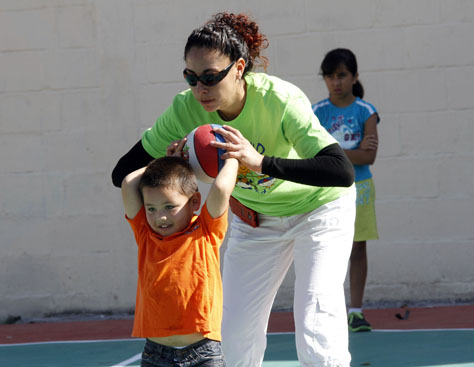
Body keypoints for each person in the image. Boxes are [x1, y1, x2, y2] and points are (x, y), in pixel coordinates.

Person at [113, 12, 356, 367]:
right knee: (234, 337)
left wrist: (259, 162)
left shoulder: (279, 100)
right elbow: (122, 172)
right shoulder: (185, 110)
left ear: (239, 67)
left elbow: (341, 170)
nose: (200, 89)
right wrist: (174, 163)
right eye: (191, 78)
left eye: (211, 77)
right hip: (254, 220)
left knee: (316, 324)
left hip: (319, 211)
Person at [121, 153, 238, 366]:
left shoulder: (205, 231)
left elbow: (221, 188)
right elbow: (129, 183)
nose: (160, 217)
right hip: (155, 355)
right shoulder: (146, 234)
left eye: (170, 207)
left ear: (194, 202)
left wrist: (231, 158)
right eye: (151, 209)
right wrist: (166, 160)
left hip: (203, 353)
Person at [312, 48, 380, 333]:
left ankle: (355, 311)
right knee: (324, 249)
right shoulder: (316, 111)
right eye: (329, 76)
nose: (335, 82)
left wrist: (334, 152)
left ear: (354, 77)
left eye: (341, 75)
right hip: (327, 190)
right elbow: (313, 155)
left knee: (358, 247)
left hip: (360, 187)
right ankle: (329, 313)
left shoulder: (366, 112)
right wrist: (349, 151)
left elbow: (368, 158)